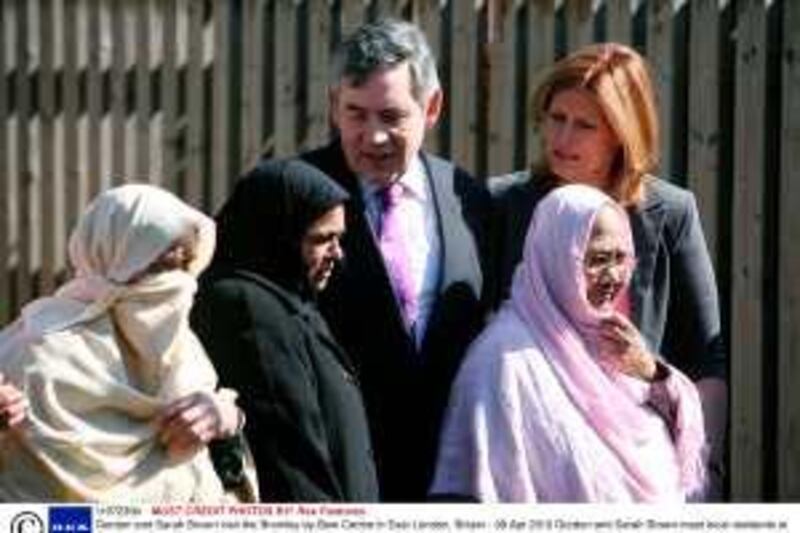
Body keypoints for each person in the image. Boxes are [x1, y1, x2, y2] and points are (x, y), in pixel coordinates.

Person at [491, 42, 727, 495]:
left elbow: (705, 361)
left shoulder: (671, 213)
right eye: (556, 118)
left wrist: (703, 472)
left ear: (622, 134)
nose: (562, 139)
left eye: (584, 126)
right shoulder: (504, 204)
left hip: (642, 470)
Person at [299, 19, 493, 501]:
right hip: (330, 474)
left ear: (431, 107)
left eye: (391, 116)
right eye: (355, 114)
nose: (373, 136)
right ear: (333, 107)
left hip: (449, 479)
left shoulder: (469, 198)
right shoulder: (290, 195)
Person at [432, 184, 708, 502]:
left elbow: (679, 434)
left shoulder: (615, 339)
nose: (614, 276)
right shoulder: (501, 362)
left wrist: (651, 371)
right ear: (556, 258)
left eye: (622, 258)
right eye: (598, 259)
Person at [0, 184, 243, 502]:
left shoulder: (183, 349)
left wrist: (227, 417)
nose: (176, 286)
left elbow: (215, 444)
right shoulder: (35, 354)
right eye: (159, 269)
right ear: (110, 258)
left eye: (185, 267)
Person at [190, 159, 379, 502]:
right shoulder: (246, 309)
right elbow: (289, 459)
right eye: (322, 239)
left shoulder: (288, 298)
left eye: (338, 238)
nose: (338, 253)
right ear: (278, 235)